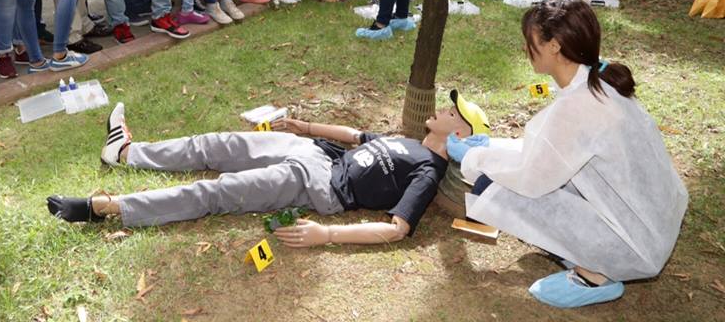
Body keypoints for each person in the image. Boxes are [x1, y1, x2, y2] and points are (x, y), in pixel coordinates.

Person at [450, 0, 687, 309]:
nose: (525, 48)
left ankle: (594, 275)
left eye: (530, 41)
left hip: (633, 243)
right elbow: (553, 151)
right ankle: (587, 257)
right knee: (502, 178)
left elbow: (532, 177)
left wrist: (472, 158)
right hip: (653, 221)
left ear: (554, 46)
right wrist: (492, 146)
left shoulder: (578, 106)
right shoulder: (598, 81)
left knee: (490, 188)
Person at [46, 88, 490, 242]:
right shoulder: (408, 141)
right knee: (214, 145)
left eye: (453, 112)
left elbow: (397, 229)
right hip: (313, 150)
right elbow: (355, 135)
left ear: (459, 134)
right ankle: (126, 152)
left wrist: (325, 235)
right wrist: (305, 126)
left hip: (320, 185)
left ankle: (110, 208)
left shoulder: (427, 172)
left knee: (217, 192)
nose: (443, 108)